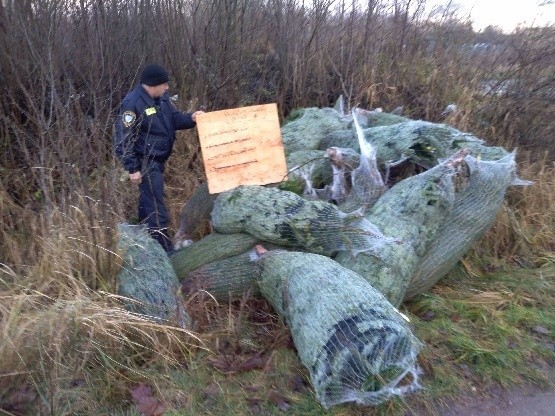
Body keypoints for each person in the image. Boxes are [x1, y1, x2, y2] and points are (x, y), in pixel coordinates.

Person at [114, 64, 204, 253]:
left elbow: (175, 118)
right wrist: (133, 168)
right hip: (145, 161)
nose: (167, 88)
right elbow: (123, 140)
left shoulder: (162, 99)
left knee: (148, 199)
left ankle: (143, 235)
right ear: (153, 84)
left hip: (158, 159)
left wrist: (192, 118)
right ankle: (164, 250)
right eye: (164, 84)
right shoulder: (132, 104)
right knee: (156, 205)